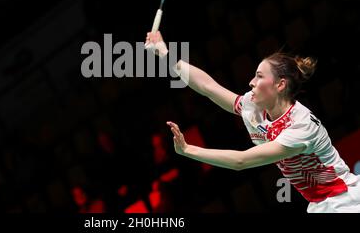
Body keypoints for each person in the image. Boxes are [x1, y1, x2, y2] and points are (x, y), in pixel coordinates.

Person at [145, 31, 360, 213]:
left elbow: (241, 161)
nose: (251, 82)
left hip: (344, 201)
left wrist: (188, 150)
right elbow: (208, 87)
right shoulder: (253, 106)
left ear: (280, 85)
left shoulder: (300, 126)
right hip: (320, 203)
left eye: (258, 76)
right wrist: (164, 53)